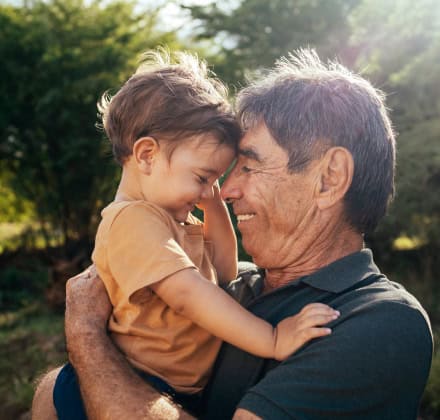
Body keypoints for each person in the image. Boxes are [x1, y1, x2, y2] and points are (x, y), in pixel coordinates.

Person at [32, 48, 433, 420]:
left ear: (329, 179)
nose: (224, 189)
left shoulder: (381, 322)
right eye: (214, 174)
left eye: (248, 166)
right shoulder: (239, 284)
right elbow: (52, 394)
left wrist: (85, 337)